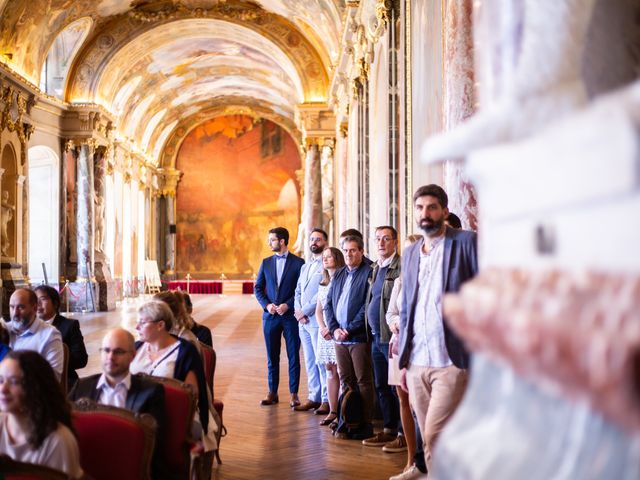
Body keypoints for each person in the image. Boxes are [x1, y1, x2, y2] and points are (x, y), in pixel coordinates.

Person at [398, 184, 478, 473]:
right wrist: (404, 362)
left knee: (435, 434)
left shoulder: (466, 242)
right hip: (418, 361)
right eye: (420, 208)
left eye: (432, 207)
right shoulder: (409, 254)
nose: (425, 214)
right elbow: (407, 307)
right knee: (431, 444)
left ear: (444, 211)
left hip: (452, 361)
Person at [69, 328, 166, 479]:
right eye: (106, 350)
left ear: (133, 356)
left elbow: (156, 446)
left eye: (118, 352)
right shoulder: (81, 387)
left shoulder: (151, 392)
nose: (110, 357)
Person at [0, 350, 83, 478]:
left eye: (14, 382)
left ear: (35, 387)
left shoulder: (58, 440)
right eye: (0, 380)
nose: (3, 389)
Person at [130, 300, 209, 434]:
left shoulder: (185, 351)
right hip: (136, 411)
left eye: (142, 322)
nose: (137, 327)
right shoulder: (136, 348)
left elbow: (191, 397)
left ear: (160, 325)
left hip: (175, 416)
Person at [324, 235, 374, 438]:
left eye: (353, 250)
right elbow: (328, 304)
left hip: (357, 337)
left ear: (361, 251)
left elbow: (367, 305)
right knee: (346, 380)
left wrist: (349, 330)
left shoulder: (369, 273)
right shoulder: (339, 274)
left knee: (363, 381)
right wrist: (335, 328)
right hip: (339, 339)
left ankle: (365, 423)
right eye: (345, 251)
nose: (349, 254)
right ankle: (347, 420)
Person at [387, 234, 425, 480]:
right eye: (408, 251)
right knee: (404, 401)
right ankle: (411, 456)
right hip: (398, 345)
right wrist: (394, 324)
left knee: (419, 406)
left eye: (415, 250)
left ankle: (425, 461)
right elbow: (392, 312)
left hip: (419, 348)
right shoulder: (400, 280)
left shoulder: (427, 279)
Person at [362, 226, 404, 451]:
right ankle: (387, 429)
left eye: (386, 239)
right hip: (375, 336)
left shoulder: (399, 267)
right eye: (377, 239)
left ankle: (401, 432)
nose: (381, 243)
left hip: (390, 337)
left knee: (396, 386)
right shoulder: (375, 267)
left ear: (395, 242)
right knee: (380, 384)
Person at [254, 227, 305, 407]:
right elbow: (258, 288)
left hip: (290, 317)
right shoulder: (266, 262)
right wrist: (267, 305)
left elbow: (302, 291)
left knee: (293, 355)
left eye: (272, 240)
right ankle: (272, 392)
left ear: (282, 241)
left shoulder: (299, 263)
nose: (269, 243)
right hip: (271, 317)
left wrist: (288, 305)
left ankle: (293, 394)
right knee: (272, 356)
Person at [293, 228, 328, 413]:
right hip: (302, 322)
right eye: (312, 239)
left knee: (321, 361)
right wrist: (298, 310)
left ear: (325, 242)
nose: (314, 242)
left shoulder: (326, 265)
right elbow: (298, 289)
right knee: (309, 360)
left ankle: (325, 399)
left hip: (316, 320)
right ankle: (313, 396)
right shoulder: (305, 266)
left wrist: (305, 310)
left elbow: (322, 293)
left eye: (318, 239)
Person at [314, 246, 346, 426]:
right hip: (324, 333)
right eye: (323, 257)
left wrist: (333, 329)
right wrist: (322, 327)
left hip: (338, 331)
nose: (325, 259)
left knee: (342, 371)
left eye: (329, 257)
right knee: (329, 370)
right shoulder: (323, 282)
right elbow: (319, 311)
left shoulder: (343, 279)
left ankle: (343, 411)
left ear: (337, 259)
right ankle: (333, 411)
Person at [34, 285, 88, 389]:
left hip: (64, 381)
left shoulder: (69, 325)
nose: (38, 304)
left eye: (43, 299)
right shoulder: (28, 327)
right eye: (35, 300)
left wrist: (53, 359)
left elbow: (81, 359)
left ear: (55, 303)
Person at [7, 288, 64, 381]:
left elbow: (53, 379)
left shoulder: (50, 335)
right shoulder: (4, 330)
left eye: (21, 307)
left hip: (31, 393)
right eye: (12, 307)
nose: (15, 313)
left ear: (34, 308)